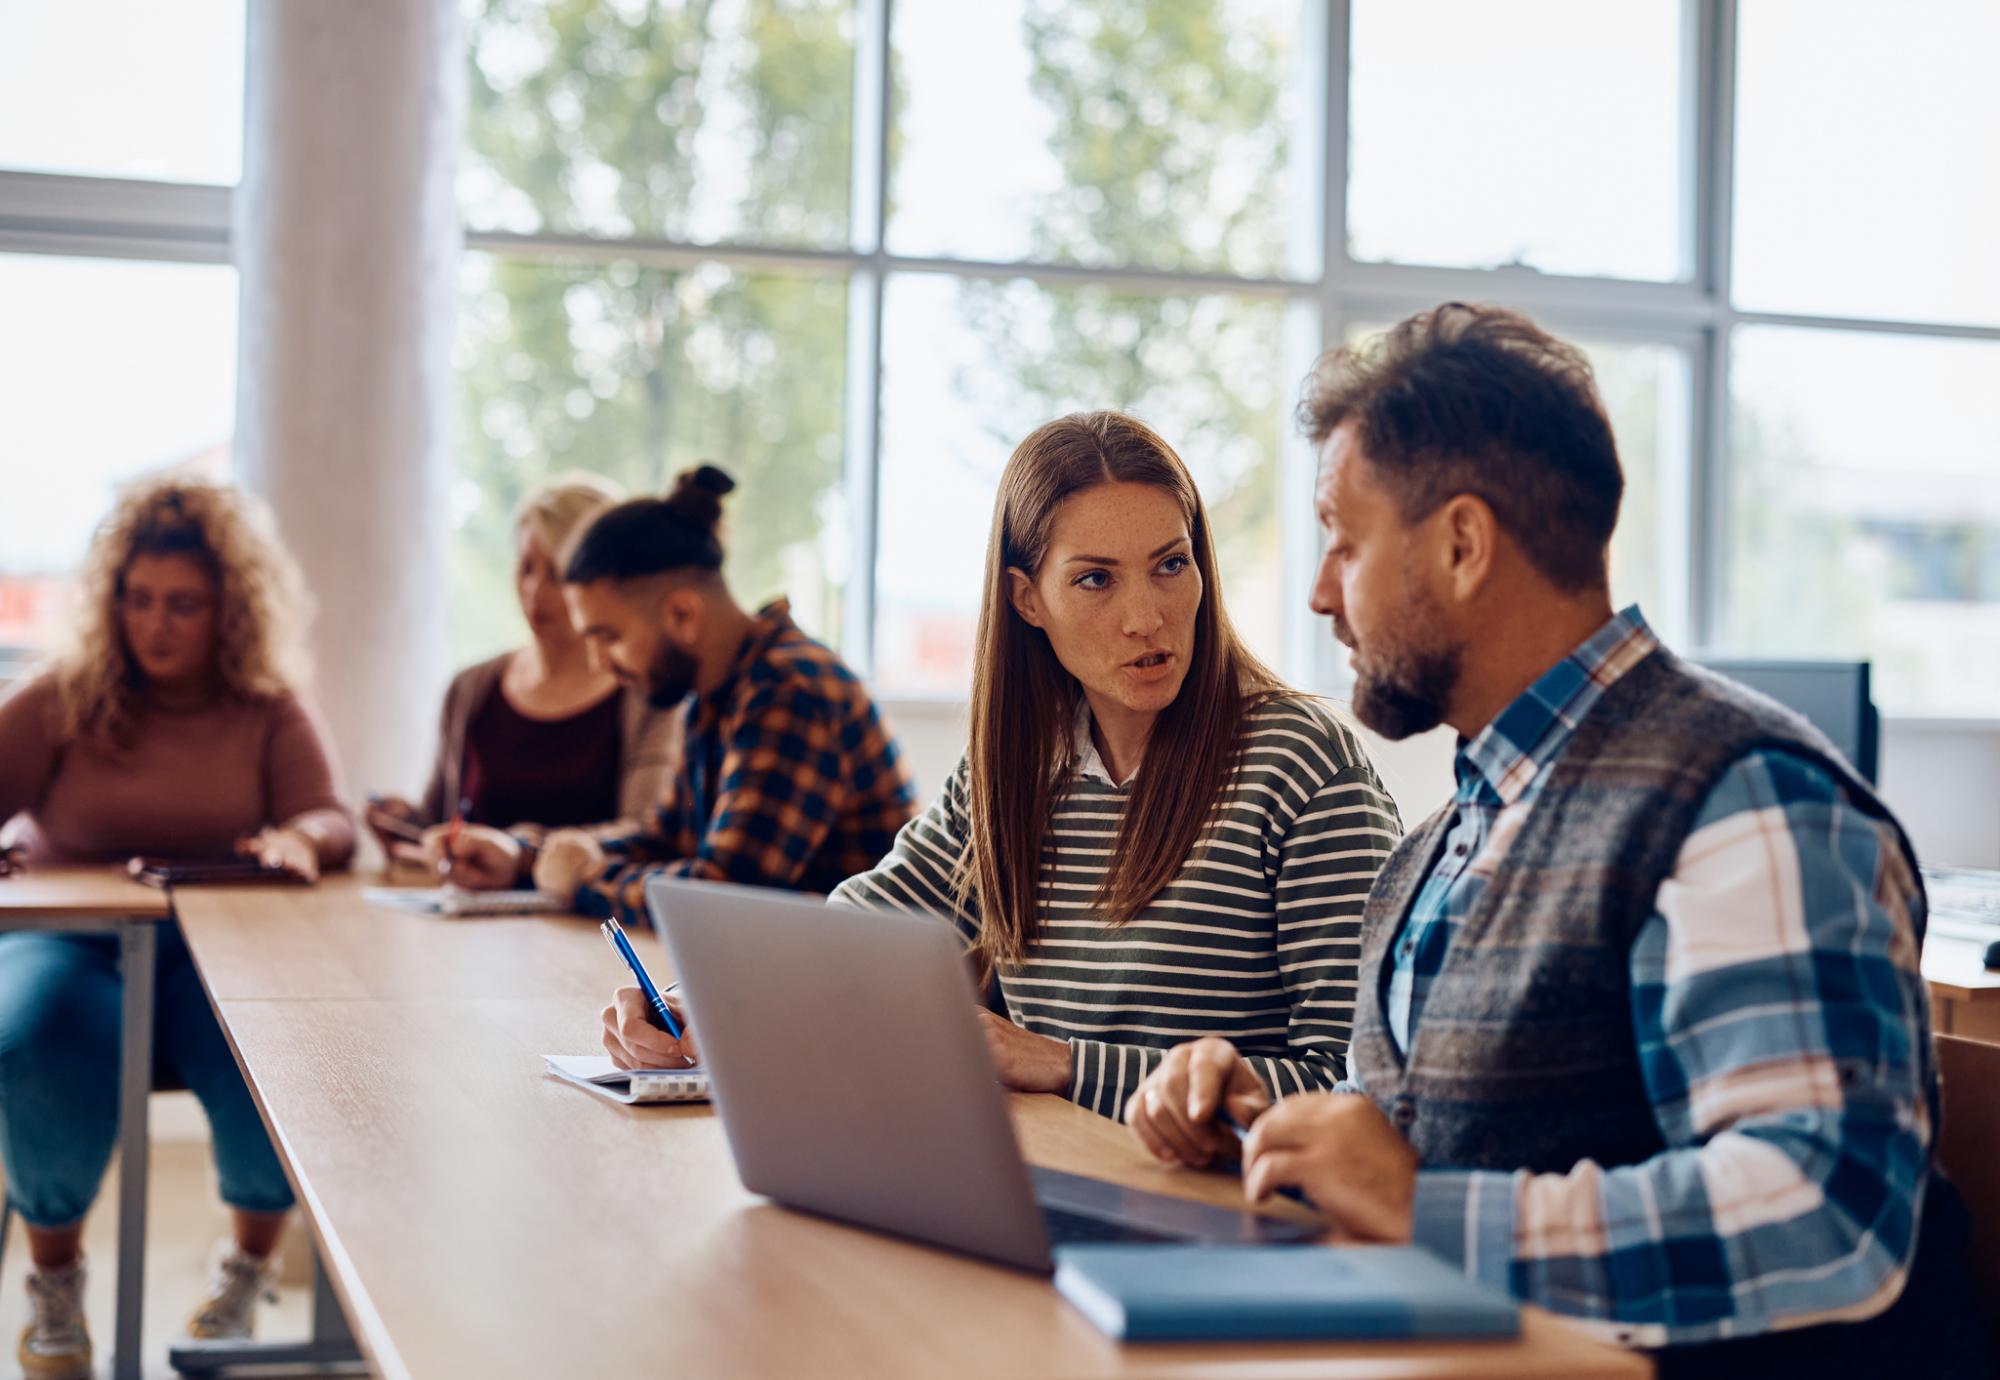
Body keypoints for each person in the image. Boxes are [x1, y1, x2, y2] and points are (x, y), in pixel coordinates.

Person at [1123, 304, 1987, 1375]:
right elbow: (1443, 1133)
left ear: (1458, 544)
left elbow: (1823, 1210)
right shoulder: (1435, 847)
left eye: (1342, 541)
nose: (1315, 593)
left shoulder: (1743, 804)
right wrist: (1276, 1130)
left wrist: (1419, 1209)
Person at [605, 413, 1403, 1124]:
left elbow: (1358, 1092)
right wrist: (694, 1003)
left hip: (1231, 1217)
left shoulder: (1301, 764)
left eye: (1170, 564)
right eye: (1095, 579)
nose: (1146, 616)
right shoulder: (1021, 766)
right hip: (1066, 1180)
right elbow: (855, 934)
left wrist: (1061, 1064)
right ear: (1027, 599)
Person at [0, 479, 356, 1378]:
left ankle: (244, 1271)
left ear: (227, 610)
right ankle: (55, 1288)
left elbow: (328, 817)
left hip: (215, 953)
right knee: (34, 1039)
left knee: (273, 1045)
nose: (156, 625)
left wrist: (299, 839)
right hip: (70, 945)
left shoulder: (268, 708)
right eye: (139, 600)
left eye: (184, 605)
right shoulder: (61, 699)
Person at [440, 463, 919, 907]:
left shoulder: (792, 690)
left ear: (683, 616)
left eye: (609, 637)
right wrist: (524, 855)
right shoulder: (713, 694)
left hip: (858, 986)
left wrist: (580, 881)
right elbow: (665, 837)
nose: (599, 662)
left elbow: (724, 895)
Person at [363, 474, 678, 877]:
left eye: (559, 574)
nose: (535, 590)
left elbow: (646, 836)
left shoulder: (647, 695)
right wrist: (407, 824)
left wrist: (519, 855)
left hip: (586, 923)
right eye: (527, 567)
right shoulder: (471, 689)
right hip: (469, 923)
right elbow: (443, 816)